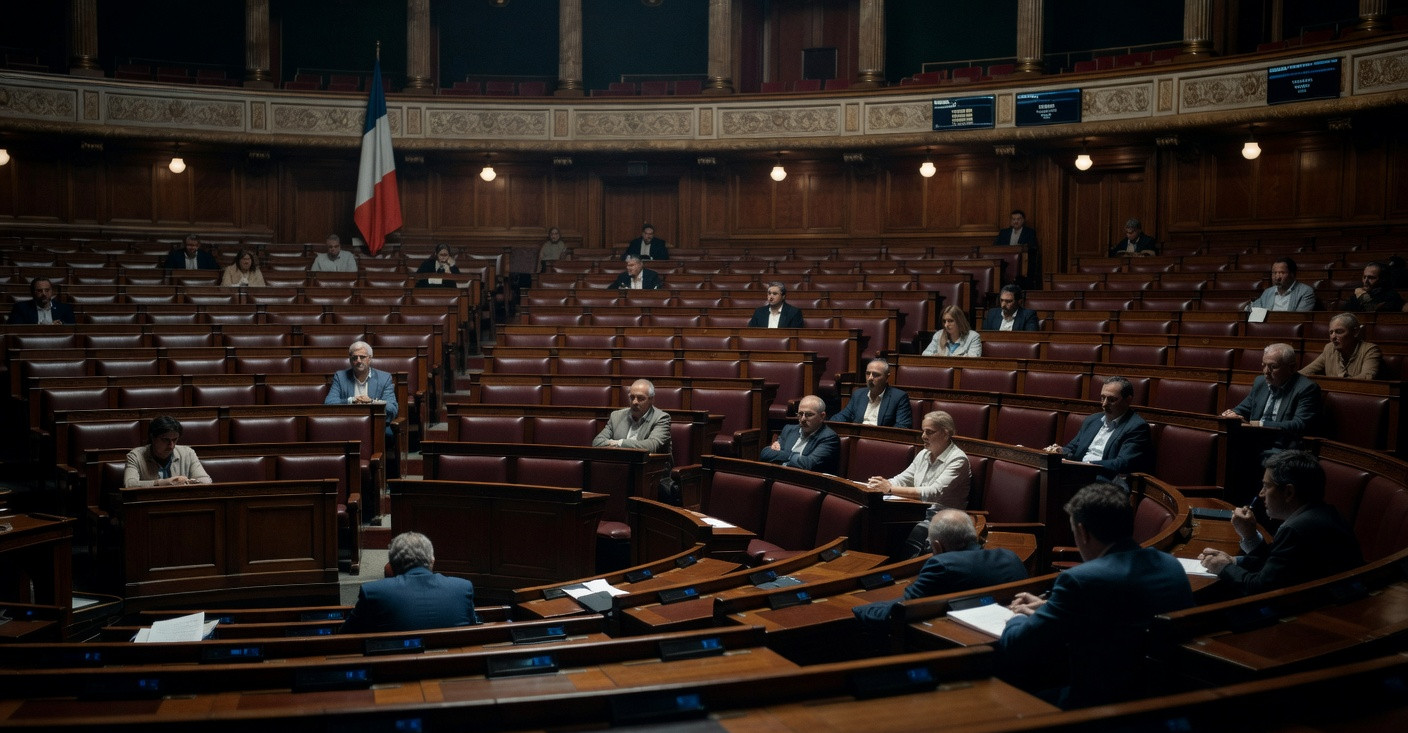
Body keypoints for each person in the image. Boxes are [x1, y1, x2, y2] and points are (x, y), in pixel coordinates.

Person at [998, 482, 1194, 709]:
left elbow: (1018, 646)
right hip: (1162, 699)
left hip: (1097, 707)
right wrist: (1047, 607)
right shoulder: (1171, 565)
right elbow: (1118, 612)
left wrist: (1016, 619)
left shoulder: (1081, 580)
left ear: (1082, 531)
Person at [1197, 450, 1362, 596]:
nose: (1261, 494)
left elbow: (1259, 588)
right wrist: (1233, 560)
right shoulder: (1324, 513)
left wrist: (1224, 568)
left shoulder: (1295, 529)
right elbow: (1278, 565)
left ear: (1289, 492)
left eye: (1266, 486)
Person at [852, 510, 1028, 626]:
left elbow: (904, 608)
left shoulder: (942, 565)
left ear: (937, 546)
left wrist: (858, 610)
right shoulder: (1009, 556)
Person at [869, 410, 972, 555]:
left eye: (929, 432)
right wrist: (878, 485)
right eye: (923, 431)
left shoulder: (958, 460)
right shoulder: (924, 454)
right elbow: (903, 479)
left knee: (913, 536)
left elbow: (933, 493)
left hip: (944, 517)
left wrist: (890, 489)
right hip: (916, 510)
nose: (923, 436)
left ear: (946, 433)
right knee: (876, 523)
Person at [339, 532, 479, 634]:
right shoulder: (462, 588)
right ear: (432, 561)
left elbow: (345, 637)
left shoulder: (373, 593)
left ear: (391, 566)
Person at [1044, 376, 1153, 482]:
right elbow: (1073, 448)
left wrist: (1088, 465)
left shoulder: (1136, 427)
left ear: (1128, 400)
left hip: (1105, 480)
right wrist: (1061, 451)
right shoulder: (1092, 420)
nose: (1104, 404)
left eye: (1111, 399)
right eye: (1102, 397)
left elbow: (1122, 463)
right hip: (1078, 474)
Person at [593, 379, 676, 503]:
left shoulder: (661, 418)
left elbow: (651, 445)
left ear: (652, 399)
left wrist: (618, 443)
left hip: (650, 476)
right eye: (632, 397)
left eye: (640, 398)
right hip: (618, 472)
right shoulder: (616, 416)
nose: (635, 402)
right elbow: (597, 442)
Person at [1221, 343, 1321, 442]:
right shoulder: (1261, 382)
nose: (1266, 372)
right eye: (1263, 365)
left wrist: (1259, 425)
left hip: (1281, 445)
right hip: (1254, 441)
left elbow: (1299, 424)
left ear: (1292, 368)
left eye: (1273, 367)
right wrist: (1232, 414)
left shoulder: (1307, 388)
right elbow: (1242, 409)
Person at [124, 415, 213, 488]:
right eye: (165, 440)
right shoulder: (135, 456)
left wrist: (185, 482)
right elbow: (129, 484)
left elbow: (206, 480)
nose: (171, 446)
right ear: (153, 438)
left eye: (175, 440)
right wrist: (163, 483)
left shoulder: (188, 453)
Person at [759, 395, 839, 474]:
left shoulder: (829, 437)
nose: (803, 419)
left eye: (809, 415)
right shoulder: (789, 429)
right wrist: (793, 455)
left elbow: (807, 464)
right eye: (800, 414)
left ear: (822, 416)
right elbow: (765, 453)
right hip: (781, 478)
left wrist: (781, 455)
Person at [326, 340, 399, 427]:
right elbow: (329, 403)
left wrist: (372, 402)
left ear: (370, 358)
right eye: (355, 357)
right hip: (347, 425)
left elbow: (392, 408)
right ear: (350, 359)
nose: (359, 361)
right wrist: (352, 401)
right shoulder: (340, 377)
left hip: (375, 425)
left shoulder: (384, 378)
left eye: (362, 357)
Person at [832, 358, 913, 429]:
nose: (870, 378)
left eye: (876, 375)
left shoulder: (899, 397)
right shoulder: (858, 394)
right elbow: (843, 416)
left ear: (887, 377)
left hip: (880, 442)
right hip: (857, 439)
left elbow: (903, 426)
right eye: (868, 373)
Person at [1299, 313, 1381, 380]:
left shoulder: (1370, 350)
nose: (1333, 337)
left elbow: (1367, 377)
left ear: (1355, 332)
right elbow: (1305, 372)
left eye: (1339, 331)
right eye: (1331, 332)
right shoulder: (1329, 348)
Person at [992, 209, 1040, 289]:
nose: (1016, 221)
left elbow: (1033, 247)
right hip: (1005, 263)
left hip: (1023, 264)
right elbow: (996, 247)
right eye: (1013, 219)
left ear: (1023, 220)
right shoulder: (1004, 232)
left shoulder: (1029, 232)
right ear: (1011, 221)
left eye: (1018, 219)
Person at [1246, 257, 1316, 312]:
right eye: (1274, 273)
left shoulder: (1306, 292)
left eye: (1282, 273)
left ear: (1292, 274)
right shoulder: (1268, 292)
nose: (1277, 277)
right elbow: (1255, 310)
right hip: (1266, 328)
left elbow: (1299, 318)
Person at [7, 277, 75, 325]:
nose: (44, 294)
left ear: (52, 291)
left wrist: (61, 325)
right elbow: (15, 329)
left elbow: (72, 328)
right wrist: (42, 327)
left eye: (47, 290)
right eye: (39, 291)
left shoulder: (65, 308)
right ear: (33, 292)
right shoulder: (20, 308)